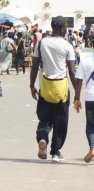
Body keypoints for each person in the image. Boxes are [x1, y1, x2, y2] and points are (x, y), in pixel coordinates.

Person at [30, 16, 76, 162]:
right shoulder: (67, 46)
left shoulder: (41, 43)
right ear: (62, 28)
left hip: (45, 87)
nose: (67, 29)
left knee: (45, 118)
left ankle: (43, 138)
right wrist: (77, 94)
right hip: (61, 88)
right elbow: (72, 71)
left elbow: (35, 66)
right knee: (60, 121)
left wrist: (32, 86)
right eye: (66, 26)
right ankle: (55, 152)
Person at [73, 44, 94, 163]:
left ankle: (92, 148)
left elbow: (79, 81)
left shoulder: (85, 60)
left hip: (91, 97)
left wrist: (77, 99)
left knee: (91, 125)